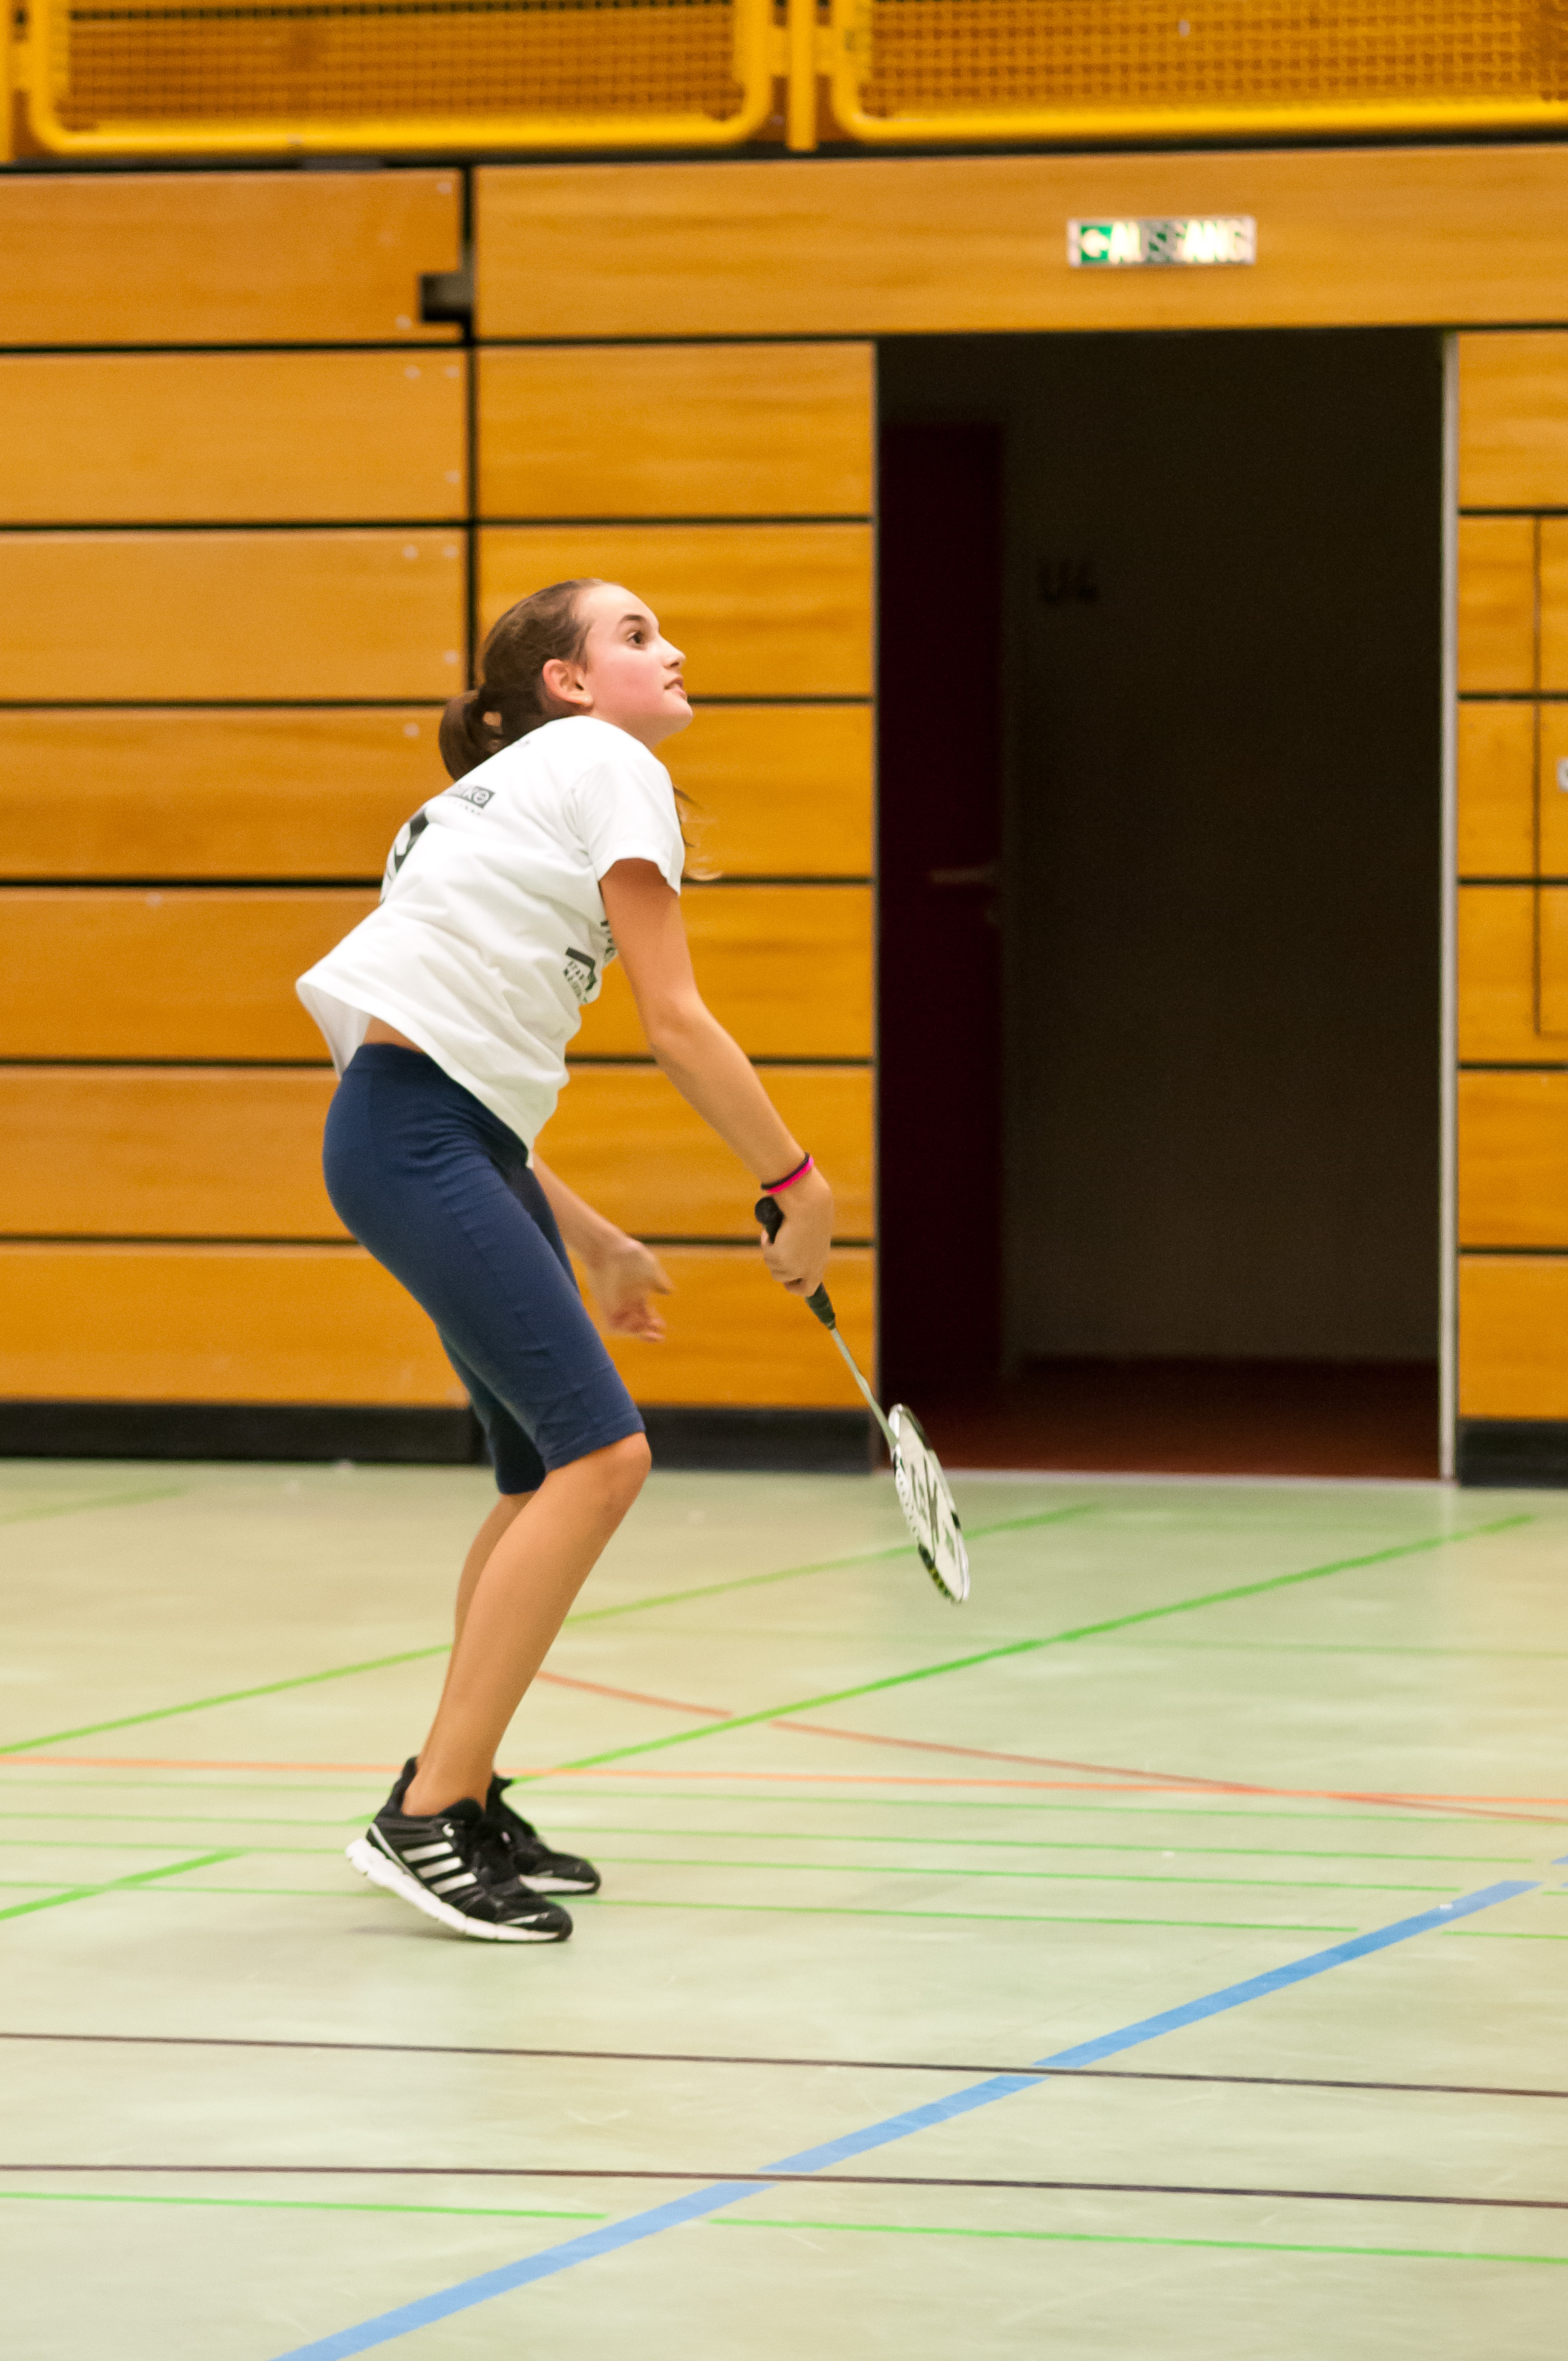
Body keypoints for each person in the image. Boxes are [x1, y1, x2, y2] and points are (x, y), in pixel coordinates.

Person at [296, 578, 834, 1944]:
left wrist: (592, 1235)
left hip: (432, 1137)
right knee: (604, 1456)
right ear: (570, 685)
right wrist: (795, 1181)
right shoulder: (602, 760)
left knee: (544, 1469)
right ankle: (427, 1811)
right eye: (637, 635)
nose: (674, 649)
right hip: (422, 1140)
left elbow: (438, 1065)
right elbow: (676, 1020)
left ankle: (458, 1789)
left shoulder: (468, 807)